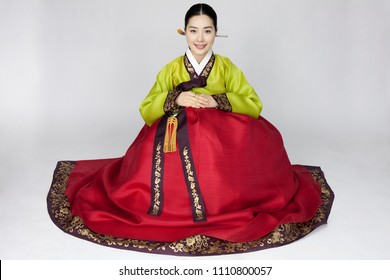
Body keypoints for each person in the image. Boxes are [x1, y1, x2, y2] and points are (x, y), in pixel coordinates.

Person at [48, 3, 334, 255]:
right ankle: (174, 207)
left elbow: (253, 104)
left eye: (207, 31)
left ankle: (225, 200)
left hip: (219, 142)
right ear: (183, 32)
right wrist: (176, 97)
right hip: (174, 136)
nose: (200, 38)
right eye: (193, 31)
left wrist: (217, 100)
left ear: (216, 32)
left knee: (242, 144)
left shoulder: (227, 68)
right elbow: (147, 107)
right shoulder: (172, 69)